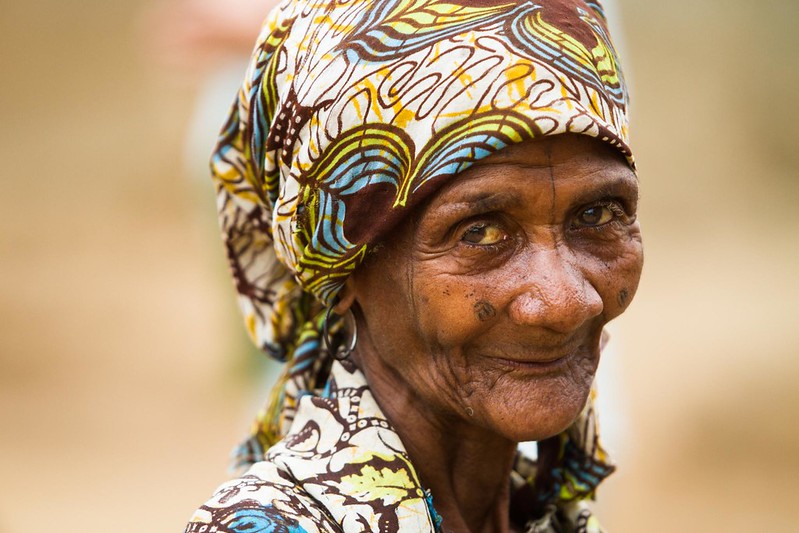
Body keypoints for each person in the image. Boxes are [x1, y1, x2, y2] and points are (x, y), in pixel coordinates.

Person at [185, 0, 643, 531]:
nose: (568, 301)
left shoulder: (535, 514)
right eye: (481, 233)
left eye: (598, 214)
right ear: (344, 264)